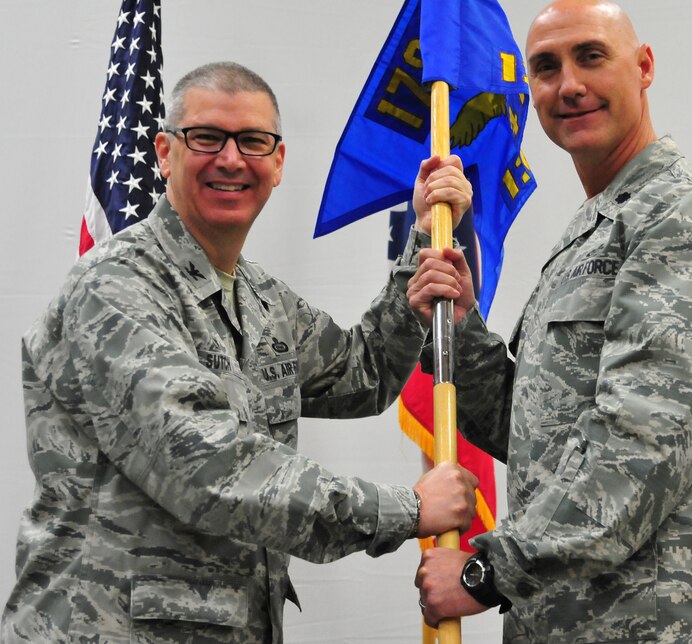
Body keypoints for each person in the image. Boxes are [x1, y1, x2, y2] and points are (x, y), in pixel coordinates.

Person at [2, 61, 479, 644]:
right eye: (206, 137)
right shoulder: (113, 290)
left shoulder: (260, 300)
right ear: (164, 152)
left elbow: (363, 373)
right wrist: (404, 509)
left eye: (254, 141)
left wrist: (423, 246)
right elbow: (206, 468)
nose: (231, 159)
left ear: (278, 164)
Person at [408, 0, 692, 642]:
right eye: (547, 67)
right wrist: (458, 327)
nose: (570, 84)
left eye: (591, 57)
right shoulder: (593, 232)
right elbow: (536, 432)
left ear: (643, 67)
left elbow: (643, 451)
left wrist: (485, 574)